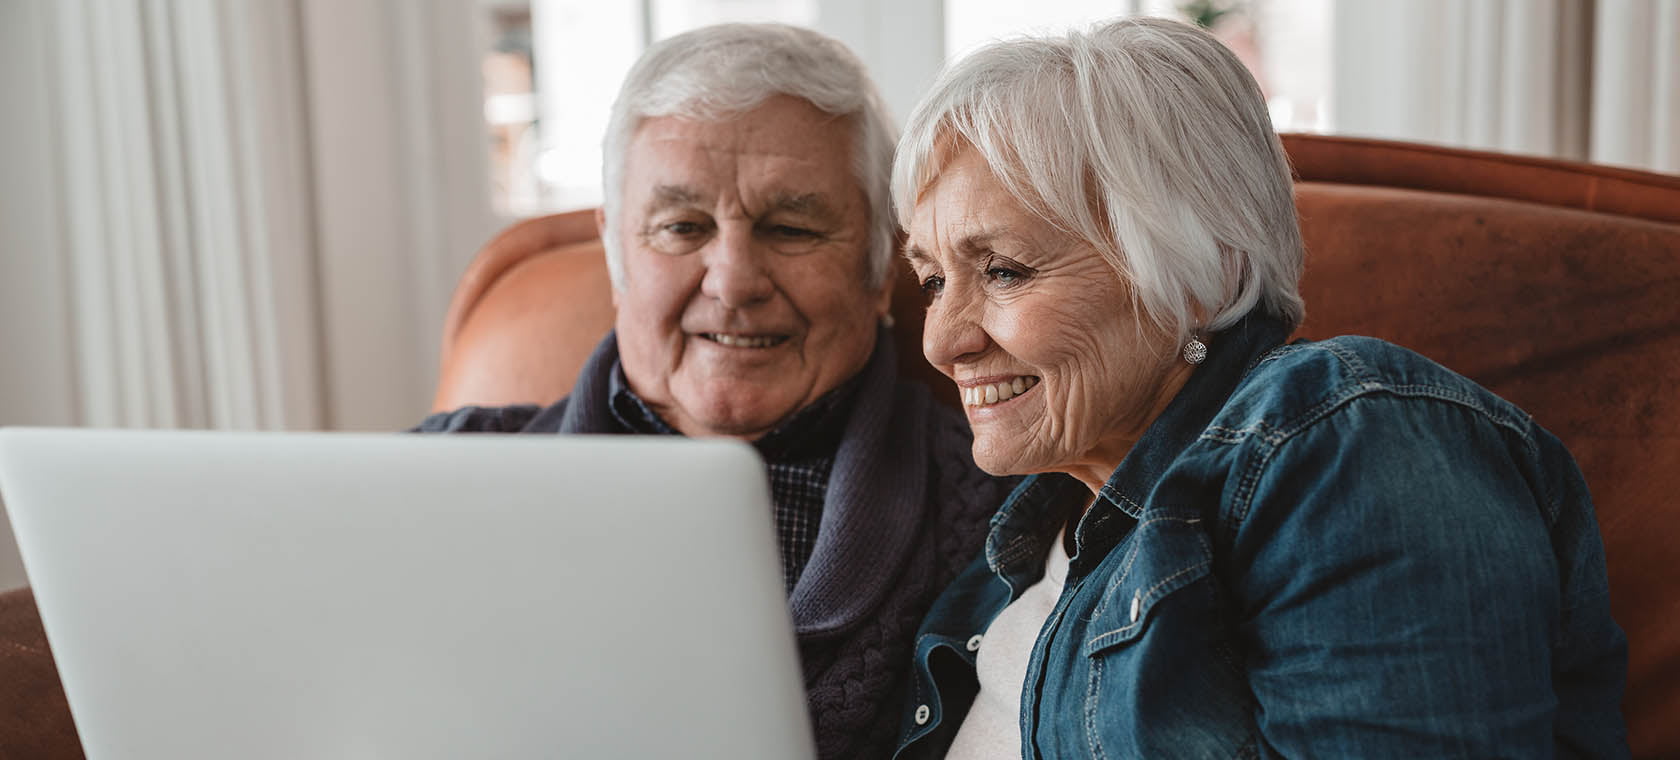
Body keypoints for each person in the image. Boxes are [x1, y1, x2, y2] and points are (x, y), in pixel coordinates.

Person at [889, 17, 1628, 759]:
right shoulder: (1026, 541)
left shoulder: (1346, 439)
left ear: (1199, 273)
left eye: (1004, 270)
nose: (941, 341)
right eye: (931, 280)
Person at [416, 23, 1013, 759]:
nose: (732, 281)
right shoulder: (436, 477)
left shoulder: (1011, 515)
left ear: (879, 263)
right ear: (616, 256)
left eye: (791, 228)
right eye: (681, 226)